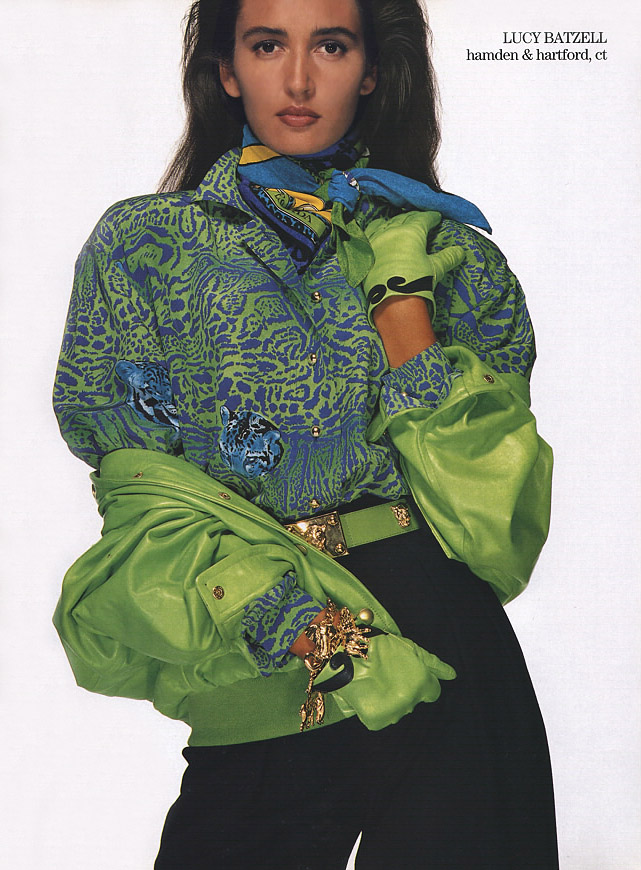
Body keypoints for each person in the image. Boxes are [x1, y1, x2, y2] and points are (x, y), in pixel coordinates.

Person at [52, 0, 559, 866]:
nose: (297, 78)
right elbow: (140, 491)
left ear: (371, 69)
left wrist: (402, 306)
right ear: (225, 70)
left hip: (441, 642)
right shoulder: (145, 246)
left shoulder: (450, 254)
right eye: (266, 45)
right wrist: (301, 626)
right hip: (262, 636)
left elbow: (493, 531)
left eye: (329, 45)